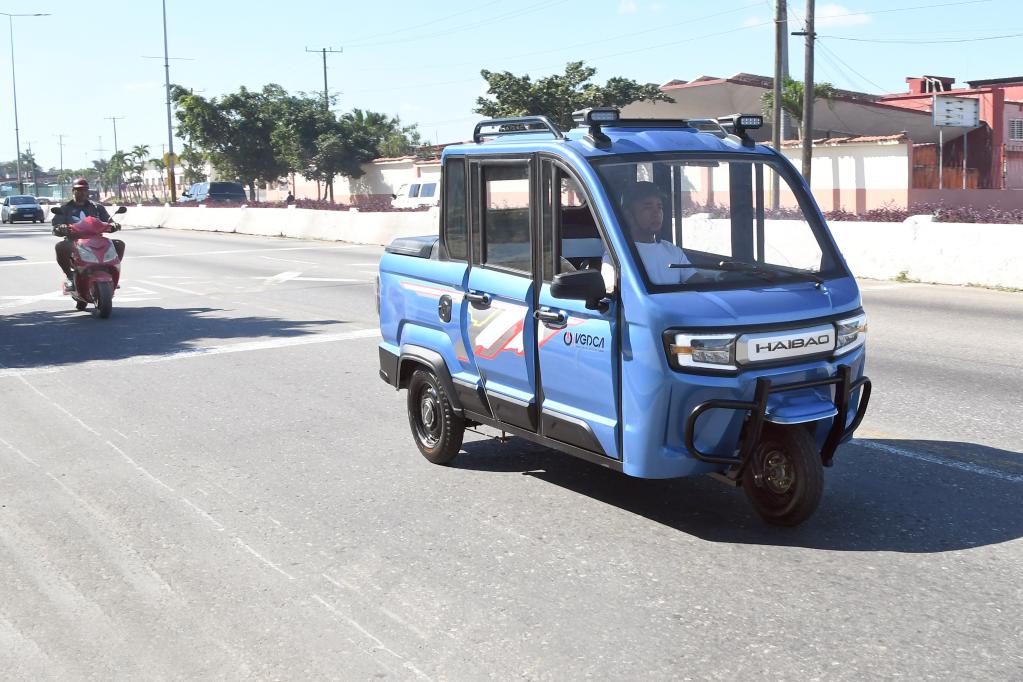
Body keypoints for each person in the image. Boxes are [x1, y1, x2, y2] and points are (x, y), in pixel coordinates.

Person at [602, 181, 692, 291]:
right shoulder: (616, 255)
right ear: (629, 214)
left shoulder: (673, 251)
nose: (656, 213)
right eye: (648, 207)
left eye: (659, 207)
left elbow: (700, 283)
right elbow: (611, 294)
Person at [53, 178, 123, 290]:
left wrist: (114, 225)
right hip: (74, 242)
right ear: (73, 191)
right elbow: (56, 225)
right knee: (60, 247)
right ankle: (70, 276)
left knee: (119, 244)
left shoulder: (96, 207)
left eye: (85, 190)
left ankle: (111, 272)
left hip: (96, 240)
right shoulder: (65, 208)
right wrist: (60, 228)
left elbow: (108, 221)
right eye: (78, 190)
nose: (82, 192)